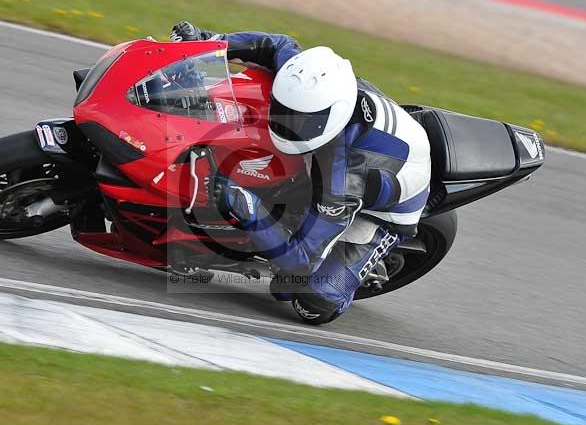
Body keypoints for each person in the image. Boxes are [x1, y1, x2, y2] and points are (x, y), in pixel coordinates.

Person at [170, 21, 431, 324]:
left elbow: (300, 261)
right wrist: (207, 42)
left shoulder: (343, 178)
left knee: (303, 296)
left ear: (329, 119)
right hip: (335, 158)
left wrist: (248, 207)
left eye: (301, 120)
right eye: (286, 111)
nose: (289, 123)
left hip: (382, 209)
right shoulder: (312, 86)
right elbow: (278, 45)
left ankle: (364, 261)